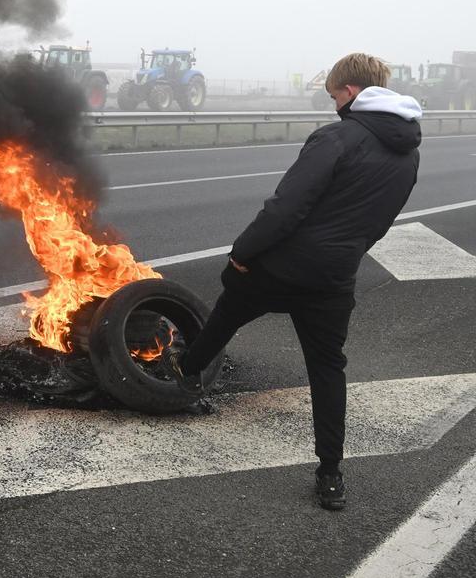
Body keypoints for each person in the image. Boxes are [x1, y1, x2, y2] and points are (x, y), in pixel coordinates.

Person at [167, 53, 422, 511]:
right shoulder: (409, 151)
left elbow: (286, 207)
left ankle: (185, 380)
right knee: (327, 369)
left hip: (282, 268)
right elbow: (380, 221)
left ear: (349, 92)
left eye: (333, 96)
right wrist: (345, 255)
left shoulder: (336, 138)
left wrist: (242, 253)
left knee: (228, 307)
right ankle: (330, 475)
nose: (332, 105)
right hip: (335, 278)